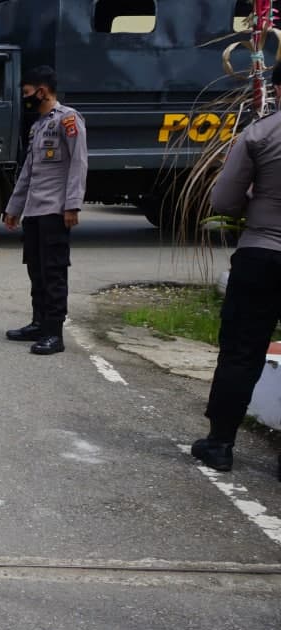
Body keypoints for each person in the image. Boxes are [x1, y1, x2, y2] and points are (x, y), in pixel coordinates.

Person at [192, 63, 281, 474]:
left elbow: (224, 201)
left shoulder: (260, 134)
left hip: (261, 254)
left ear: (278, 89)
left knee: (241, 353)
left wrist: (254, 205)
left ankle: (220, 444)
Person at [1, 65, 88, 356]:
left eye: (27, 93)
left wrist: (72, 205)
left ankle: (54, 333)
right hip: (34, 212)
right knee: (36, 271)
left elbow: (78, 163)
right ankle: (38, 324)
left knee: (53, 273)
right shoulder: (38, 126)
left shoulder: (69, 120)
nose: (25, 99)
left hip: (55, 210)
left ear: (42, 91)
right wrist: (13, 208)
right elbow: (28, 171)